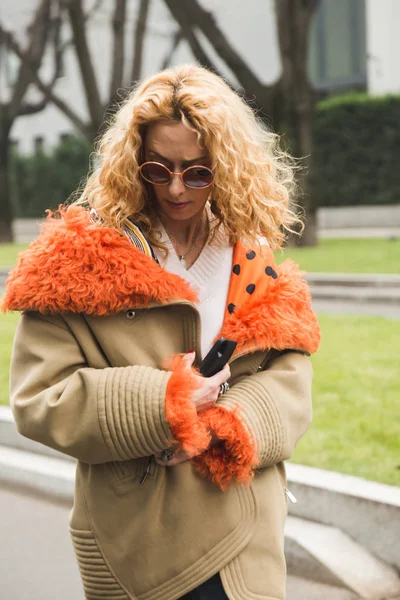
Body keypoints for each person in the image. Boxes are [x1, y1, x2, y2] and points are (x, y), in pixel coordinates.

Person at [3, 65, 320, 600]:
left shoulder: (249, 253)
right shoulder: (78, 261)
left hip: (245, 534)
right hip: (138, 542)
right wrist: (164, 403)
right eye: (159, 169)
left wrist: (226, 424)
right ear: (132, 161)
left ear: (225, 166)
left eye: (197, 173)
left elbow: (291, 373)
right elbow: (39, 397)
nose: (176, 188)